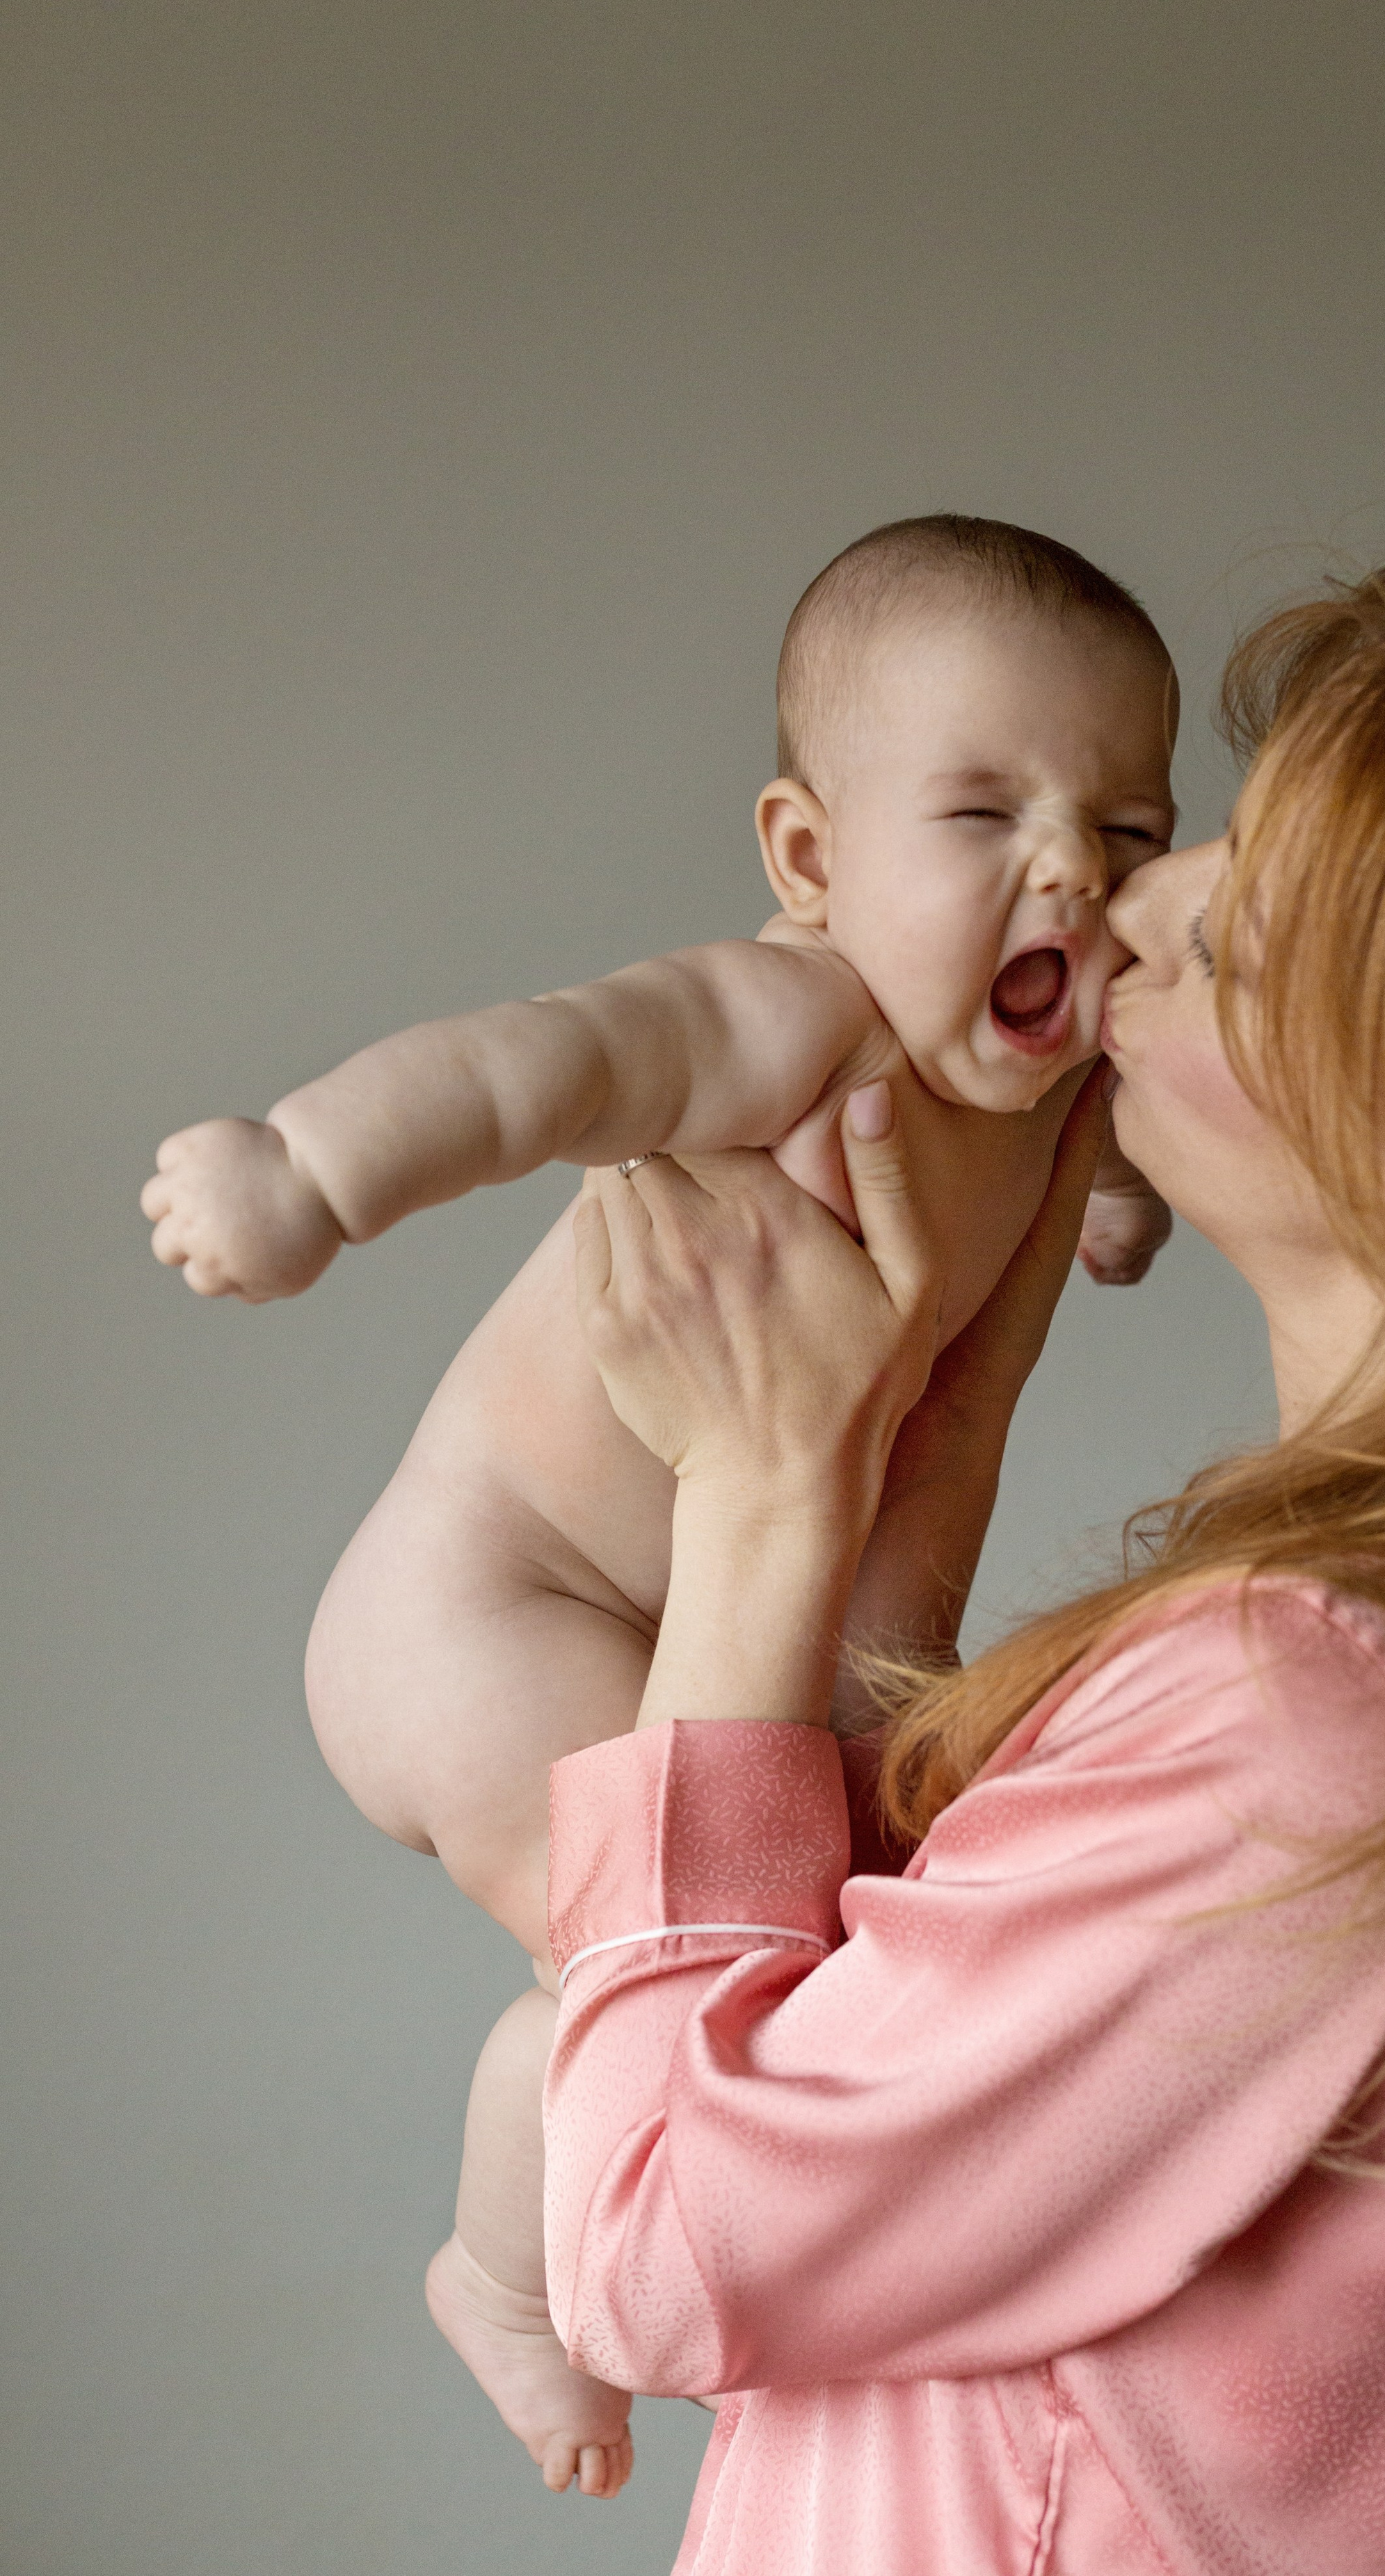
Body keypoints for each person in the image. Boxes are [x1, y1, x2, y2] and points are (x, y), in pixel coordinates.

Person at [546, 529, 1385, 2574]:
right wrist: (902, 1490)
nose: (1139, 895)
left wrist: (762, 1503)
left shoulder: (1319, 1722)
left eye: (1250, 927)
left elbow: (654, 2236)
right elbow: (931, 2105)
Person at [137, 515, 1180, 2492]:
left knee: (833, 1939)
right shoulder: (796, 1019)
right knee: (690, 2006)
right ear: (810, 862)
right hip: (483, 1610)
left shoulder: (1042, 1089)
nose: (1076, 870)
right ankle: (505, 2273)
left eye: (1129, 830)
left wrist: (1114, 1189)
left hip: (702, 1622)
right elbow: (546, 1065)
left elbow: (1100, 1138)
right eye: (986, 813)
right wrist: (310, 1170)